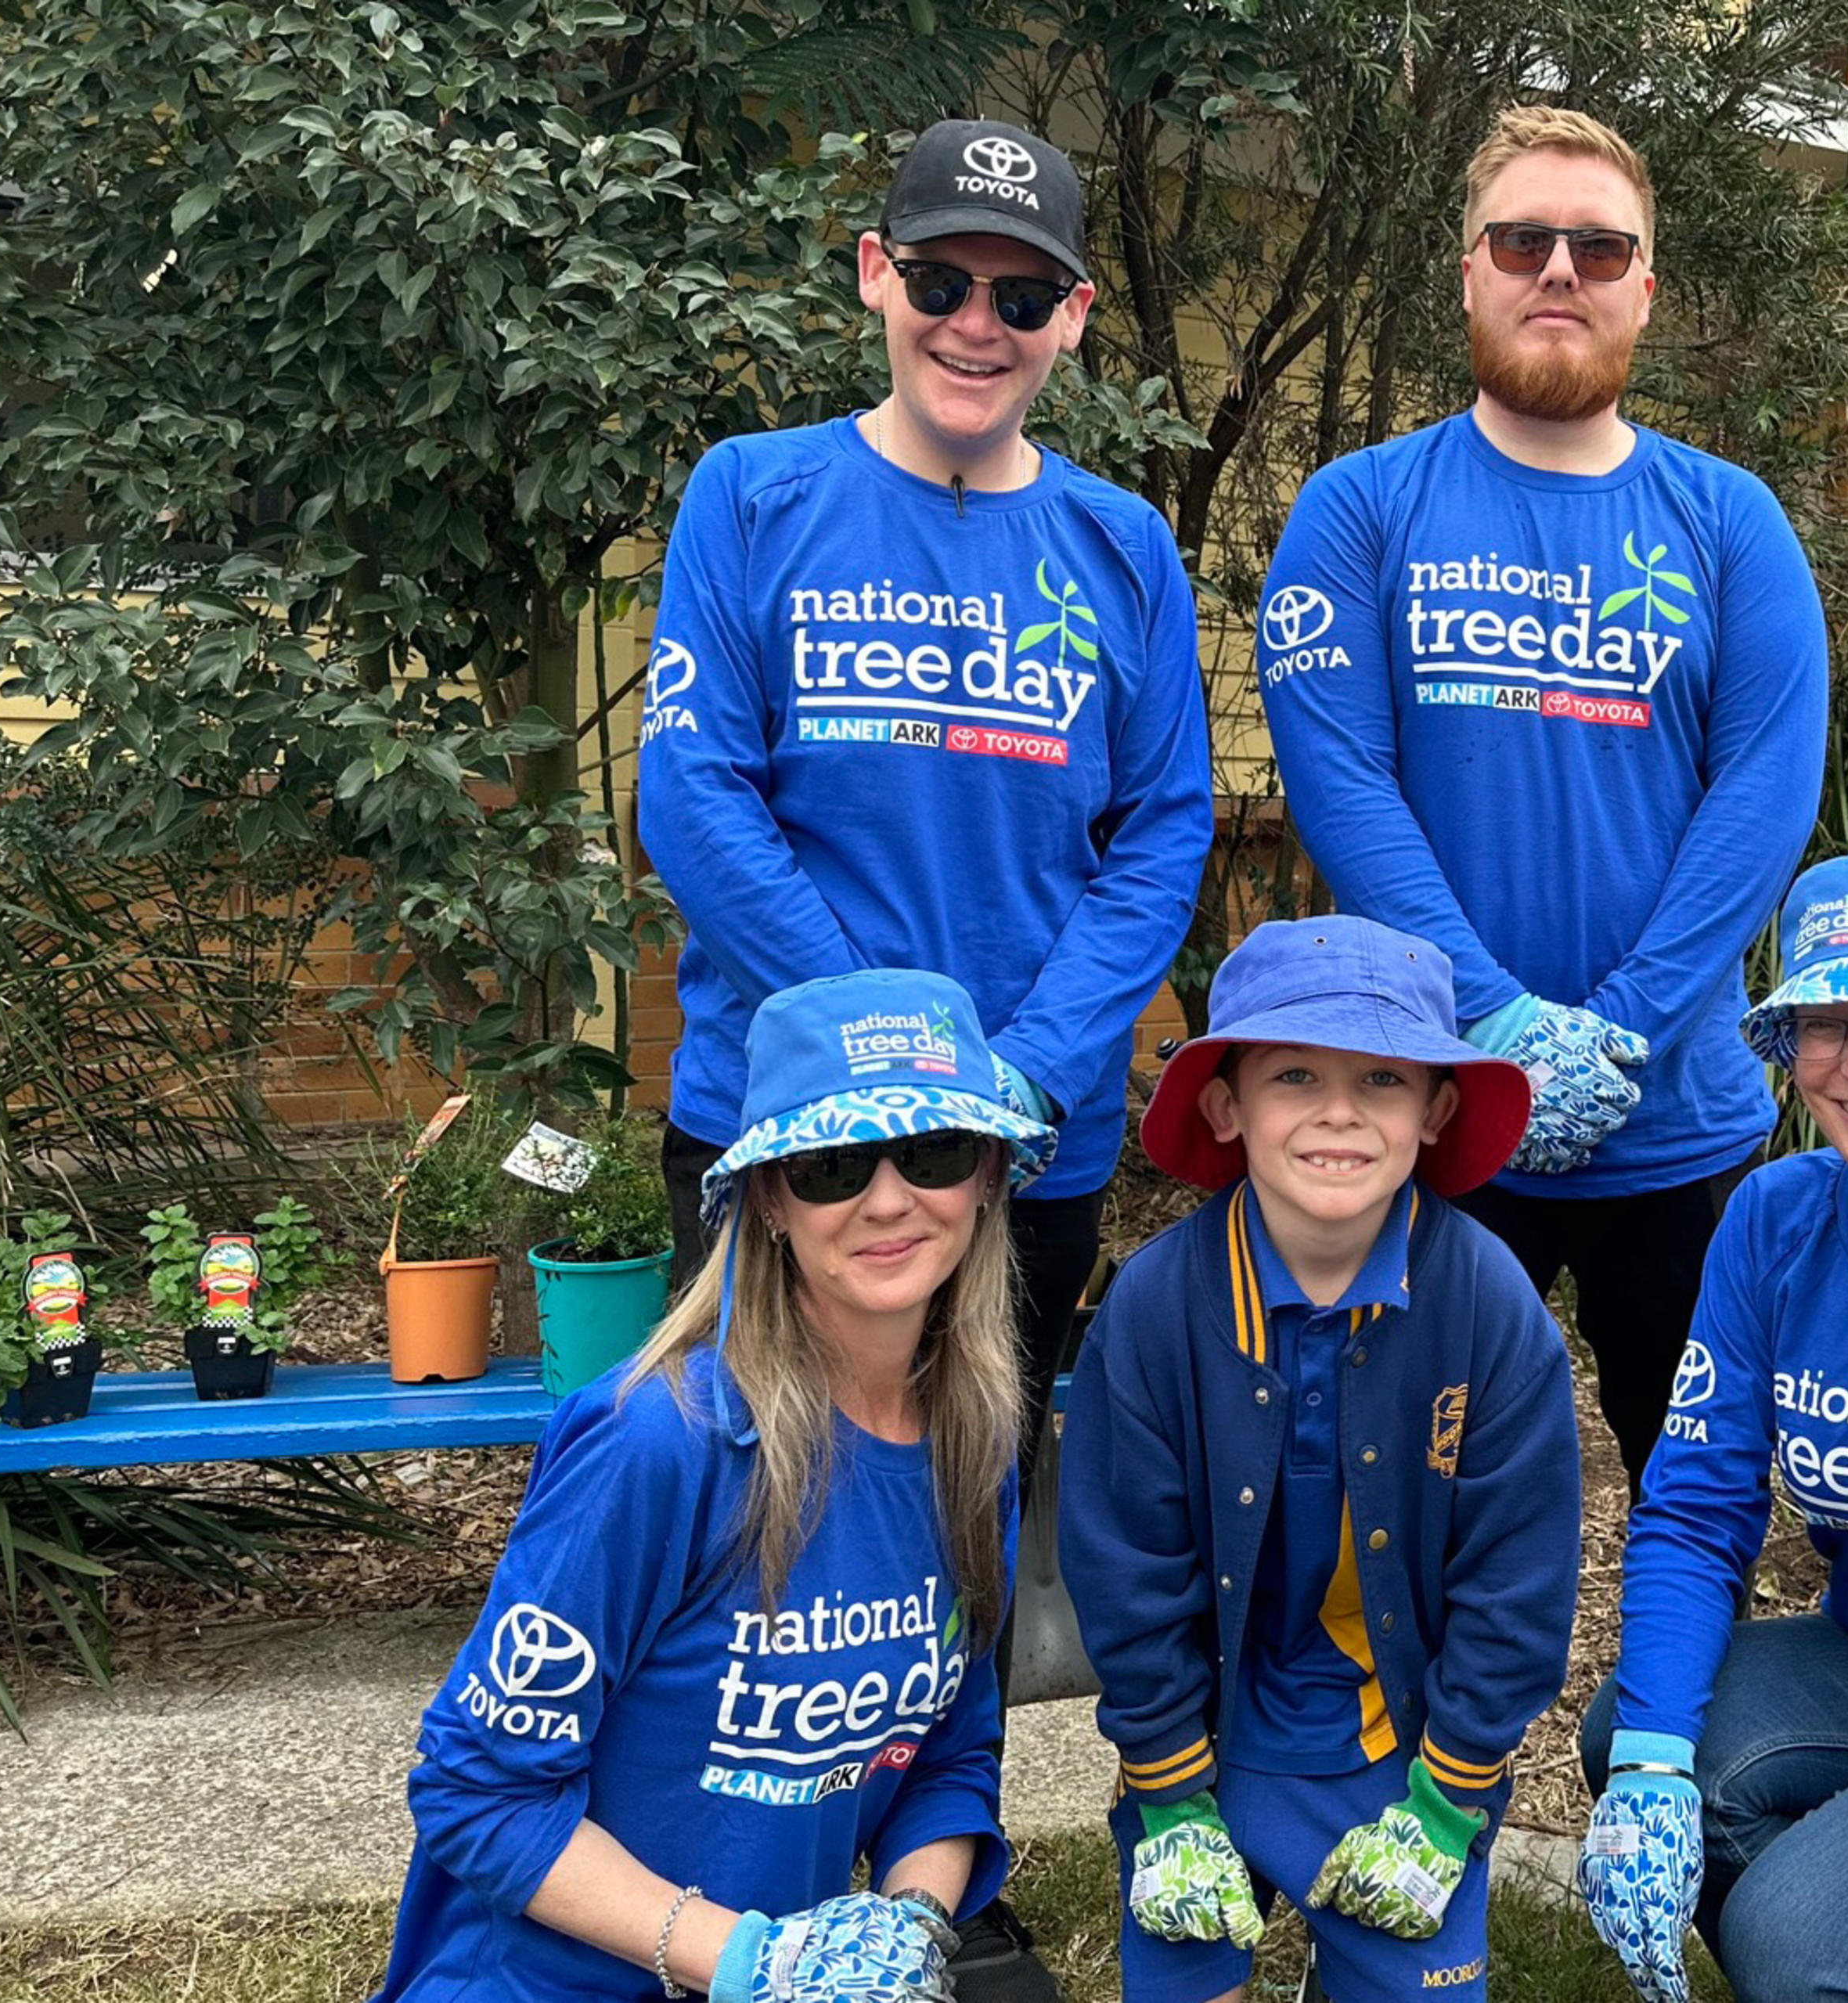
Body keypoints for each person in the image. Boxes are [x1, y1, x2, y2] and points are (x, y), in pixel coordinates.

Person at [636, 119, 1207, 1989]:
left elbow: (1161, 830)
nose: (976, 319)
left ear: (1070, 317)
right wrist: (875, 1072)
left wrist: (1015, 1072)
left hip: (1021, 1144)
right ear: (876, 273)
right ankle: (690, 1886)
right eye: (943, 277)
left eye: (1018, 291)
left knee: (959, 1507)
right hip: (772, 1134)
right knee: (739, 1497)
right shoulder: (753, 494)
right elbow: (694, 796)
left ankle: (931, 1875)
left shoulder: (1117, 541)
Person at [1254, 106, 1827, 1488]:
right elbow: (1341, 782)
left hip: (1677, 1121)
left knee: (1700, 1488)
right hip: (1435, 1108)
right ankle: (1417, 1716)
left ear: (1645, 287)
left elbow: (1763, 792)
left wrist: (1615, 1033)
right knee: (1403, 1485)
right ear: (1469, 271)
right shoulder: (1359, 508)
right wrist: (1493, 1020)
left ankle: (1670, 1713)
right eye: (1523, 239)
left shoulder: (1733, 519)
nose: (1557, 268)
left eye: (1597, 244)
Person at [374, 967, 1057, 2003]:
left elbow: (950, 1752)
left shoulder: (975, 1438)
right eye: (831, 1163)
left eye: (933, 1151)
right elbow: (479, 1790)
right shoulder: (660, 1437)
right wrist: (756, 1957)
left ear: (988, 1176)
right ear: (770, 1199)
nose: (887, 1198)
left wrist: (907, 1922)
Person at [1058, 916, 1581, 2003]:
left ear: (1435, 1109)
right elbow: (1125, 1565)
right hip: (1210, 1736)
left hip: (1404, 1742)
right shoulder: (1155, 1307)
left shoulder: (1489, 1306)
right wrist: (1166, 1788)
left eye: (1383, 1078)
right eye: (1294, 1073)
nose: (1339, 1112)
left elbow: (1518, 1579)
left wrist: (1452, 1792)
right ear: (1225, 1101)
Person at [1578, 852, 1848, 2003]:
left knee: (1794, 1935)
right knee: (1633, 1726)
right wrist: (1650, 1765)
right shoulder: (1778, 1219)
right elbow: (1695, 1502)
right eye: (1823, 1022)